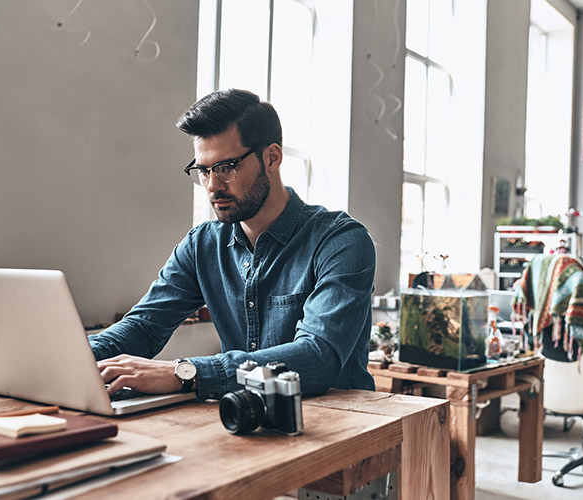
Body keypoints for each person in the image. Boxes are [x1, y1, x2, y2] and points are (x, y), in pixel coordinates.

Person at [89, 89, 376, 400]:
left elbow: (318, 358)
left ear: (272, 158)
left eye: (227, 167)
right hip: (239, 420)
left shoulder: (341, 241)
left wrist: (184, 372)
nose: (213, 186)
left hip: (340, 426)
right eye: (203, 170)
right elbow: (143, 327)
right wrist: (73, 359)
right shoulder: (202, 246)